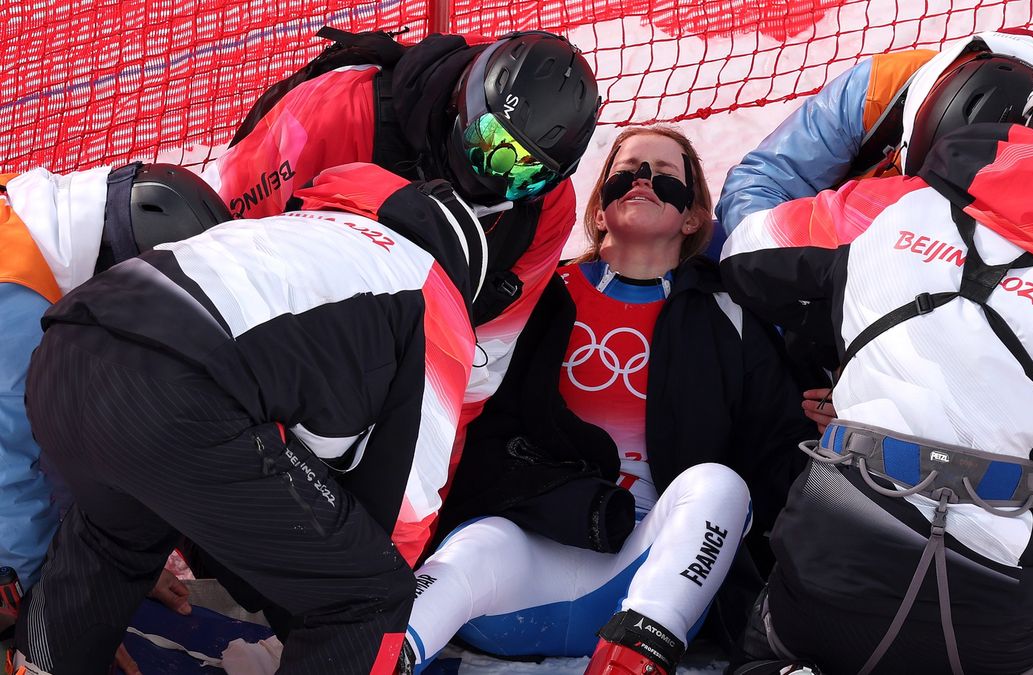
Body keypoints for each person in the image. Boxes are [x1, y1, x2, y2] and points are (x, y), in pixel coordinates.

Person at [720, 49, 1033, 674]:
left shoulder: (887, 208)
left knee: (780, 642)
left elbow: (749, 247)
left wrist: (841, 322)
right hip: (996, 600)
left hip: (833, 546)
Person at [10, 162, 495, 674]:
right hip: (181, 395)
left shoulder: (304, 230)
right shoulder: (431, 295)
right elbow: (404, 522)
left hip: (66, 349)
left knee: (114, 536)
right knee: (371, 595)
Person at [400, 126, 820, 675]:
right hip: (524, 563)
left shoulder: (728, 315)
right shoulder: (540, 296)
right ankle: (376, 654)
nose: (644, 180)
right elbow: (473, 421)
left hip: (656, 577)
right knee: (477, 546)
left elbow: (776, 455)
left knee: (719, 485)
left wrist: (833, 422)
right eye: (629, 169)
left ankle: (628, 664)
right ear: (599, 211)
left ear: (693, 218)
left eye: (666, 176)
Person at [201, 28, 601, 564]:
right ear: (467, 95)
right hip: (269, 332)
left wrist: (412, 522)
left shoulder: (544, 212)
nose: (492, 173)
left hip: (387, 363)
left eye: (523, 172)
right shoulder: (339, 112)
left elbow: (475, 373)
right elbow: (214, 241)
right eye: (488, 140)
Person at [715, 29, 1033, 407]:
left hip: (932, 322)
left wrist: (881, 383)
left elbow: (1028, 323)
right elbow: (760, 183)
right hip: (821, 271)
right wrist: (825, 309)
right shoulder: (883, 86)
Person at [0, 162, 224, 673]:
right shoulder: (12, 304)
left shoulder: (45, 237)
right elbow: (11, 474)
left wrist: (111, 566)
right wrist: (59, 614)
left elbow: (48, 437)